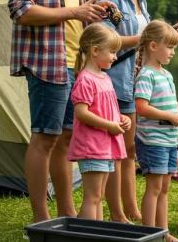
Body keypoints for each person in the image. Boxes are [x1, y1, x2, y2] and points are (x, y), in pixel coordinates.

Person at [8, 0, 114, 222]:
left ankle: (67, 214)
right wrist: (73, 11)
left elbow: (74, 8)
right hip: (46, 62)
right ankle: (41, 218)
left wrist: (94, 8)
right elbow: (20, 10)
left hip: (75, 61)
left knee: (67, 136)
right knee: (45, 137)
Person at [98, 0, 170, 222]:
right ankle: (117, 214)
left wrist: (164, 38)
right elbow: (104, 42)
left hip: (134, 82)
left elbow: (147, 40)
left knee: (129, 151)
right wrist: (143, 39)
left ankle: (132, 210)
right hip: (114, 83)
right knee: (116, 152)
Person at [134, 20, 178, 242]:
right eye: (170, 47)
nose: (173, 52)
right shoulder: (146, 74)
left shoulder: (166, 74)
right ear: (154, 46)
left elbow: (172, 104)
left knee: (164, 188)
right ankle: (148, 233)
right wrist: (170, 117)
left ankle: (164, 234)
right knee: (154, 188)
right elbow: (141, 107)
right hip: (152, 141)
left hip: (169, 140)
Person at [68, 24, 131, 220]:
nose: (115, 56)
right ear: (95, 51)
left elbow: (108, 109)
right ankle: (83, 235)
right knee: (92, 197)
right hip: (92, 147)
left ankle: (98, 233)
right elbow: (81, 113)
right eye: (112, 51)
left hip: (105, 147)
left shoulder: (104, 77)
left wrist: (122, 118)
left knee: (98, 197)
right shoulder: (85, 79)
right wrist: (109, 125)